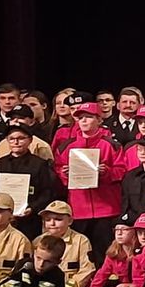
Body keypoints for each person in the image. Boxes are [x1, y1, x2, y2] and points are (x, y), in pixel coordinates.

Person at [56, 101, 125, 249]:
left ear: (99, 120)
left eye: (88, 117)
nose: (84, 121)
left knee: (104, 251)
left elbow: (122, 170)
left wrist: (107, 172)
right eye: (80, 118)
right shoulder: (66, 147)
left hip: (106, 209)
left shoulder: (111, 145)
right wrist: (64, 174)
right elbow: (57, 171)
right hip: (79, 209)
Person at [0, 123, 61, 239]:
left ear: (30, 140)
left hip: (29, 219)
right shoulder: (0, 163)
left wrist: (32, 208)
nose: (16, 142)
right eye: (12, 139)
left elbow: (47, 192)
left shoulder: (39, 164)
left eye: (21, 138)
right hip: (3, 217)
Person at [33, 201, 96, 287]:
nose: (52, 223)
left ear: (70, 221)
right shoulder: (38, 241)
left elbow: (87, 270)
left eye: (58, 219)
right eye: (48, 219)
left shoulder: (81, 241)